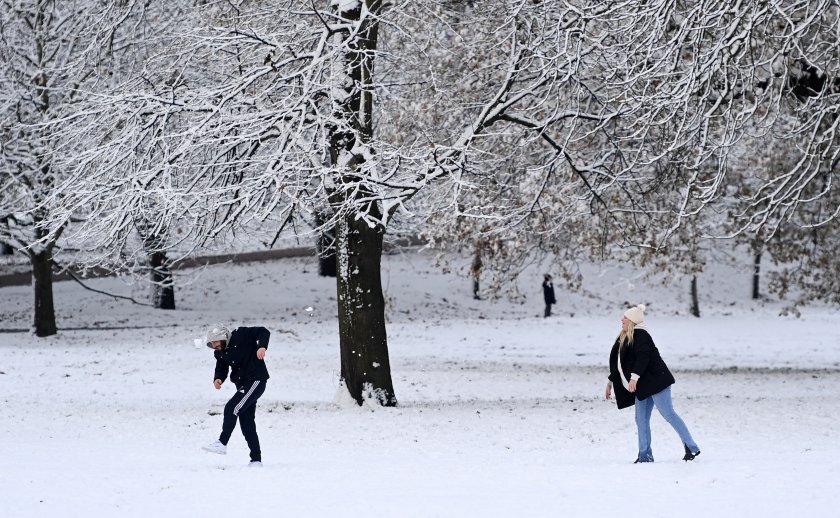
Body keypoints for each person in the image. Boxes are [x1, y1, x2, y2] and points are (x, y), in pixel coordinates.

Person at [604, 304, 701, 463]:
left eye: (625, 317)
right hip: (642, 385)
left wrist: (634, 378)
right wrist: (610, 382)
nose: (622, 319)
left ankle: (691, 446)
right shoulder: (626, 336)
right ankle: (645, 456)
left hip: (657, 381)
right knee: (640, 419)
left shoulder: (641, 335)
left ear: (633, 321)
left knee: (668, 414)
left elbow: (643, 358)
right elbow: (622, 363)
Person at [202, 324, 271, 466]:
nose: (214, 346)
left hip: (256, 380)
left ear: (224, 337)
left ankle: (222, 442)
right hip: (242, 385)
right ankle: (256, 460)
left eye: (215, 342)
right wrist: (218, 378)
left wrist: (262, 346)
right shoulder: (220, 352)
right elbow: (221, 366)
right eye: (211, 344)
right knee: (246, 423)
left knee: (231, 408)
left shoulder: (242, 334)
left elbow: (263, 331)